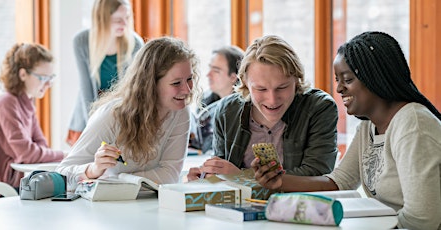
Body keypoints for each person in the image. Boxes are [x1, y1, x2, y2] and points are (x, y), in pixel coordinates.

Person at [251, 31, 441, 229]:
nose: (339, 88)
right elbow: (339, 181)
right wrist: (279, 181)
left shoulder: (413, 125)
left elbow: (422, 220)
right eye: (337, 80)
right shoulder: (368, 127)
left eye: (347, 79)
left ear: (375, 77)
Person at [56, 36, 202, 190]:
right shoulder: (112, 115)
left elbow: (170, 175)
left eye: (190, 79)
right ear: (150, 84)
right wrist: (93, 170)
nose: (187, 90)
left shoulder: (180, 111)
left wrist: (113, 179)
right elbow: (62, 175)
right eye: (176, 83)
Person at [187, 35, 338, 180]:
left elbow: (318, 175)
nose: (272, 100)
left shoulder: (320, 108)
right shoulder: (227, 110)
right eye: (261, 89)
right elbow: (223, 174)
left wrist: (241, 177)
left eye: (282, 87)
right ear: (245, 82)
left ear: (297, 80)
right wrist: (206, 180)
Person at [0, 43, 65, 200]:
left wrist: (43, 153)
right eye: (43, 78)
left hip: (10, 185)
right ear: (22, 74)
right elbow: (27, 153)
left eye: (50, 78)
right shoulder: (6, 103)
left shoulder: (26, 102)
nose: (48, 84)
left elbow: (40, 146)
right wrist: (65, 154)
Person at [67, 0, 144, 146]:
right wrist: (93, 128)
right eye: (118, 20)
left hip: (121, 119)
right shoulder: (81, 41)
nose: (125, 24)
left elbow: (133, 91)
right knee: (84, 167)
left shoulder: (135, 44)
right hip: (87, 118)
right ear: (102, 19)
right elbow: (86, 90)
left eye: (127, 18)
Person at [189, 45, 244, 154]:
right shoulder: (205, 102)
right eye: (210, 68)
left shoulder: (244, 110)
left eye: (216, 70)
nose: (208, 74)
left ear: (233, 77)